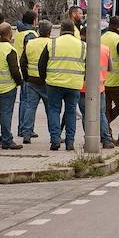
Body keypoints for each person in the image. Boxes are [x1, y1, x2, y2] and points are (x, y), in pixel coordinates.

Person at [39, 20, 84, 152]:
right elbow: (87, 64)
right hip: (74, 84)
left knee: (54, 110)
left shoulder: (52, 43)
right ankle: (70, 142)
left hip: (54, 83)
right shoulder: (82, 45)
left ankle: (55, 140)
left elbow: (42, 64)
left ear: (61, 30)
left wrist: (44, 79)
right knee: (71, 112)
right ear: (73, 30)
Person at [18, 20, 51, 145]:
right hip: (48, 82)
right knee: (52, 109)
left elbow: (22, 62)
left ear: (38, 30)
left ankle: (26, 133)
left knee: (30, 107)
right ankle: (55, 135)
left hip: (32, 80)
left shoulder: (30, 43)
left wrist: (26, 77)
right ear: (49, 31)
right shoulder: (52, 43)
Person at [102, 16, 119, 141]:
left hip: (102, 80)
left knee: (105, 109)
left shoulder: (101, 37)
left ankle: (107, 133)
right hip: (117, 81)